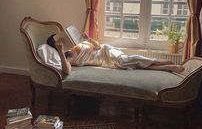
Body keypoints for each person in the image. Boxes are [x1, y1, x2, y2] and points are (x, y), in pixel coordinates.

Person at [45, 33, 184, 74]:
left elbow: (98, 46)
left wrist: (88, 39)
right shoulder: (67, 56)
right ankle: (168, 66)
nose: (62, 40)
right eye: (59, 41)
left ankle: (164, 64)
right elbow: (67, 71)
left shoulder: (76, 44)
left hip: (107, 51)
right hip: (104, 61)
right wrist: (61, 51)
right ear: (57, 45)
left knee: (128, 60)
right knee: (132, 64)